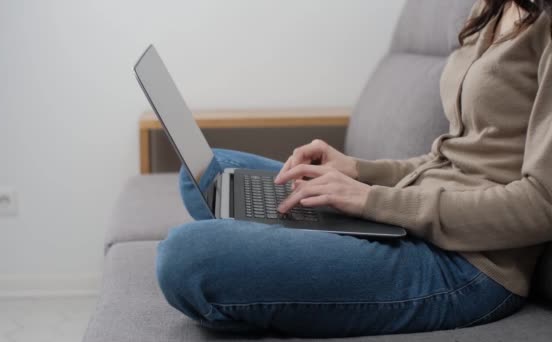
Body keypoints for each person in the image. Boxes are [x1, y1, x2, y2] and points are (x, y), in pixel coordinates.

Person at [155, 0, 552, 337]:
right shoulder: (492, 7)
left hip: (469, 264)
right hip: (412, 214)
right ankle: (286, 250)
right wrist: (358, 171)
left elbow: (542, 205)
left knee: (188, 258)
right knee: (213, 172)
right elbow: (451, 156)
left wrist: (373, 202)